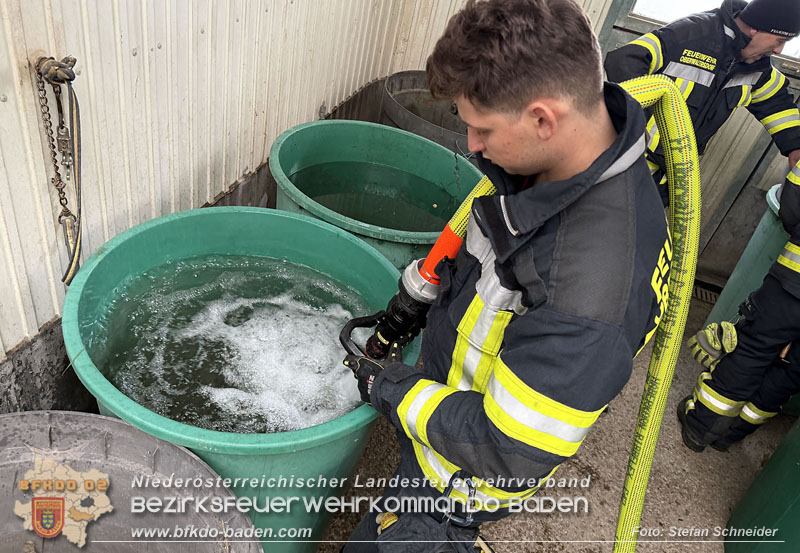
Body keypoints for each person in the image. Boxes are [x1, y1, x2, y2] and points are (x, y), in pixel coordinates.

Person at [341, 0, 671, 550]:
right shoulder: (549, 169)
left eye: (480, 129)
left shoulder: (590, 294)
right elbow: (489, 266)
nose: (471, 145)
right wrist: (419, 303)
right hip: (440, 435)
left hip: (456, 486)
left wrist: (390, 386)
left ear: (543, 118)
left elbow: (507, 449)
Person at [605, 0, 800, 205]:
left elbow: (779, 107)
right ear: (755, 28)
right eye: (779, 40)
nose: (778, 50)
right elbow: (624, 60)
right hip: (626, 166)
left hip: (668, 179)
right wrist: (635, 128)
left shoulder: (757, 70)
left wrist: (796, 146)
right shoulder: (691, 35)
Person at [678, 161, 800, 451]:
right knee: (791, 371)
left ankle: (701, 427)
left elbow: (792, 206)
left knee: (752, 351)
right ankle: (730, 435)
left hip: (792, 288)